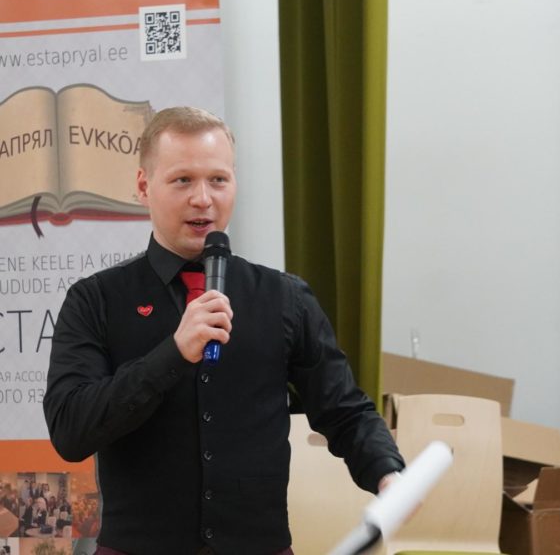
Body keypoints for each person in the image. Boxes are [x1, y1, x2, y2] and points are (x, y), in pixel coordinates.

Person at [44, 107, 405, 555]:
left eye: (218, 179)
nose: (203, 199)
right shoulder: (96, 299)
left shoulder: (284, 298)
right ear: (143, 186)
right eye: (182, 180)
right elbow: (70, 430)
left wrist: (388, 474)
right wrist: (173, 353)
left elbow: (344, 409)